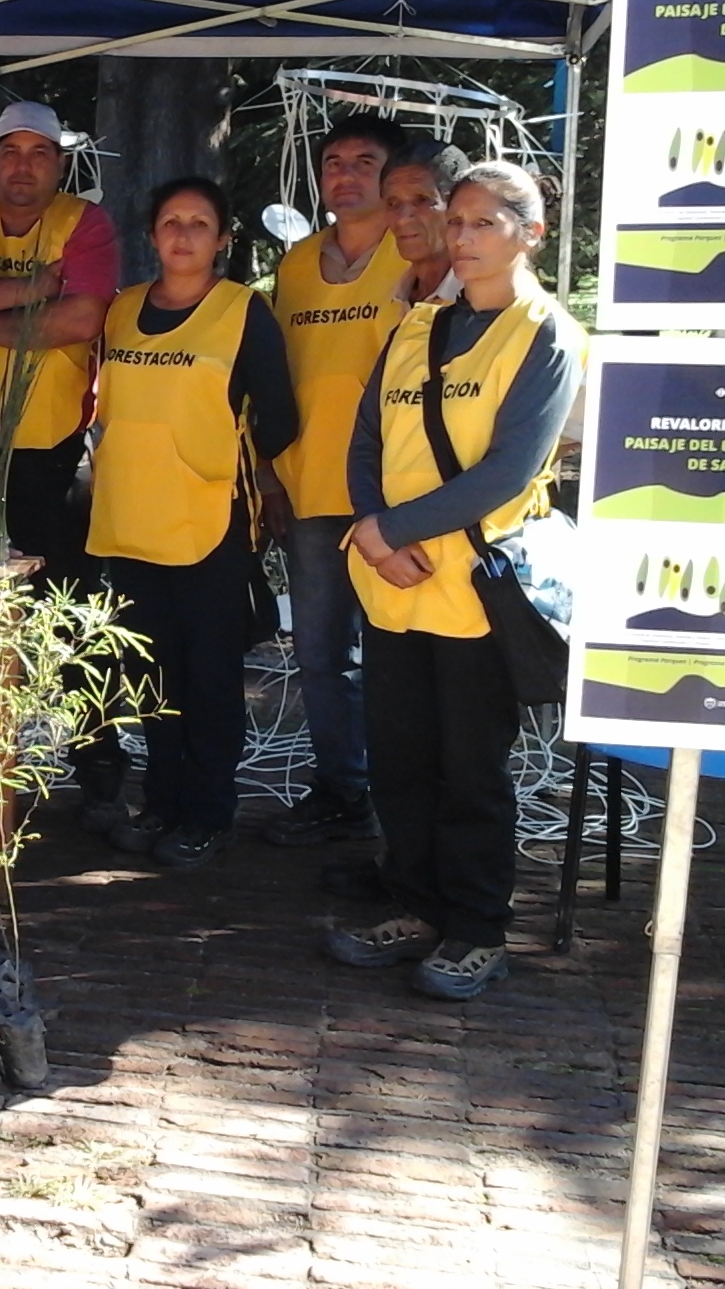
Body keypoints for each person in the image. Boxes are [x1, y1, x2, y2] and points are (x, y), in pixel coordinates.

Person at [327, 162, 585, 1001]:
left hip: (474, 586)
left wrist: (387, 529)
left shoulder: (546, 334)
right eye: (459, 223)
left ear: (530, 234)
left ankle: (477, 928)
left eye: (484, 224)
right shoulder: (417, 326)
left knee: (472, 769)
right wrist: (373, 533)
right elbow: (366, 440)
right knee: (401, 760)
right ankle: (416, 904)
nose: (463, 239)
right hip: (394, 584)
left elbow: (509, 471)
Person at [89, 178, 297, 869]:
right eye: (170, 222)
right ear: (151, 235)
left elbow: (279, 417)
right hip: (128, 518)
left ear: (224, 240)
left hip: (208, 522)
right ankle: (162, 801)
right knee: (149, 675)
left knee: (208, 678)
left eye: (199, 224)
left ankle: (207, 813)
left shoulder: (244, 312)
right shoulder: (119, 311)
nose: (183, 234)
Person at [0, 101, 123, 795]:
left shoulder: (85, 223)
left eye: (41, 153)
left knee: (66, 615)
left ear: (61, 164)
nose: (24, 167)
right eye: (11, 152)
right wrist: (31, 289)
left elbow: (81, 318)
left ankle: (98, 767)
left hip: (49, 454)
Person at [260, 112, 411, 849]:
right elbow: (276, 381)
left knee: (399, 657)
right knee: (322, 655)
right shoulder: (293, 265)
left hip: (396, 497)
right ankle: (342, 790)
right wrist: (269, 477)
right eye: (333, 160)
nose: (345, 172)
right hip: (310, 490)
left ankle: (404, 803)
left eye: (364, 160)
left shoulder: (417, 255)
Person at [382, 141, 469, 309]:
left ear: (458, 207)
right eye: (393, 203)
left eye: (422, 200)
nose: (403, 218)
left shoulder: (482, 300)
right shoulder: (389, 300)